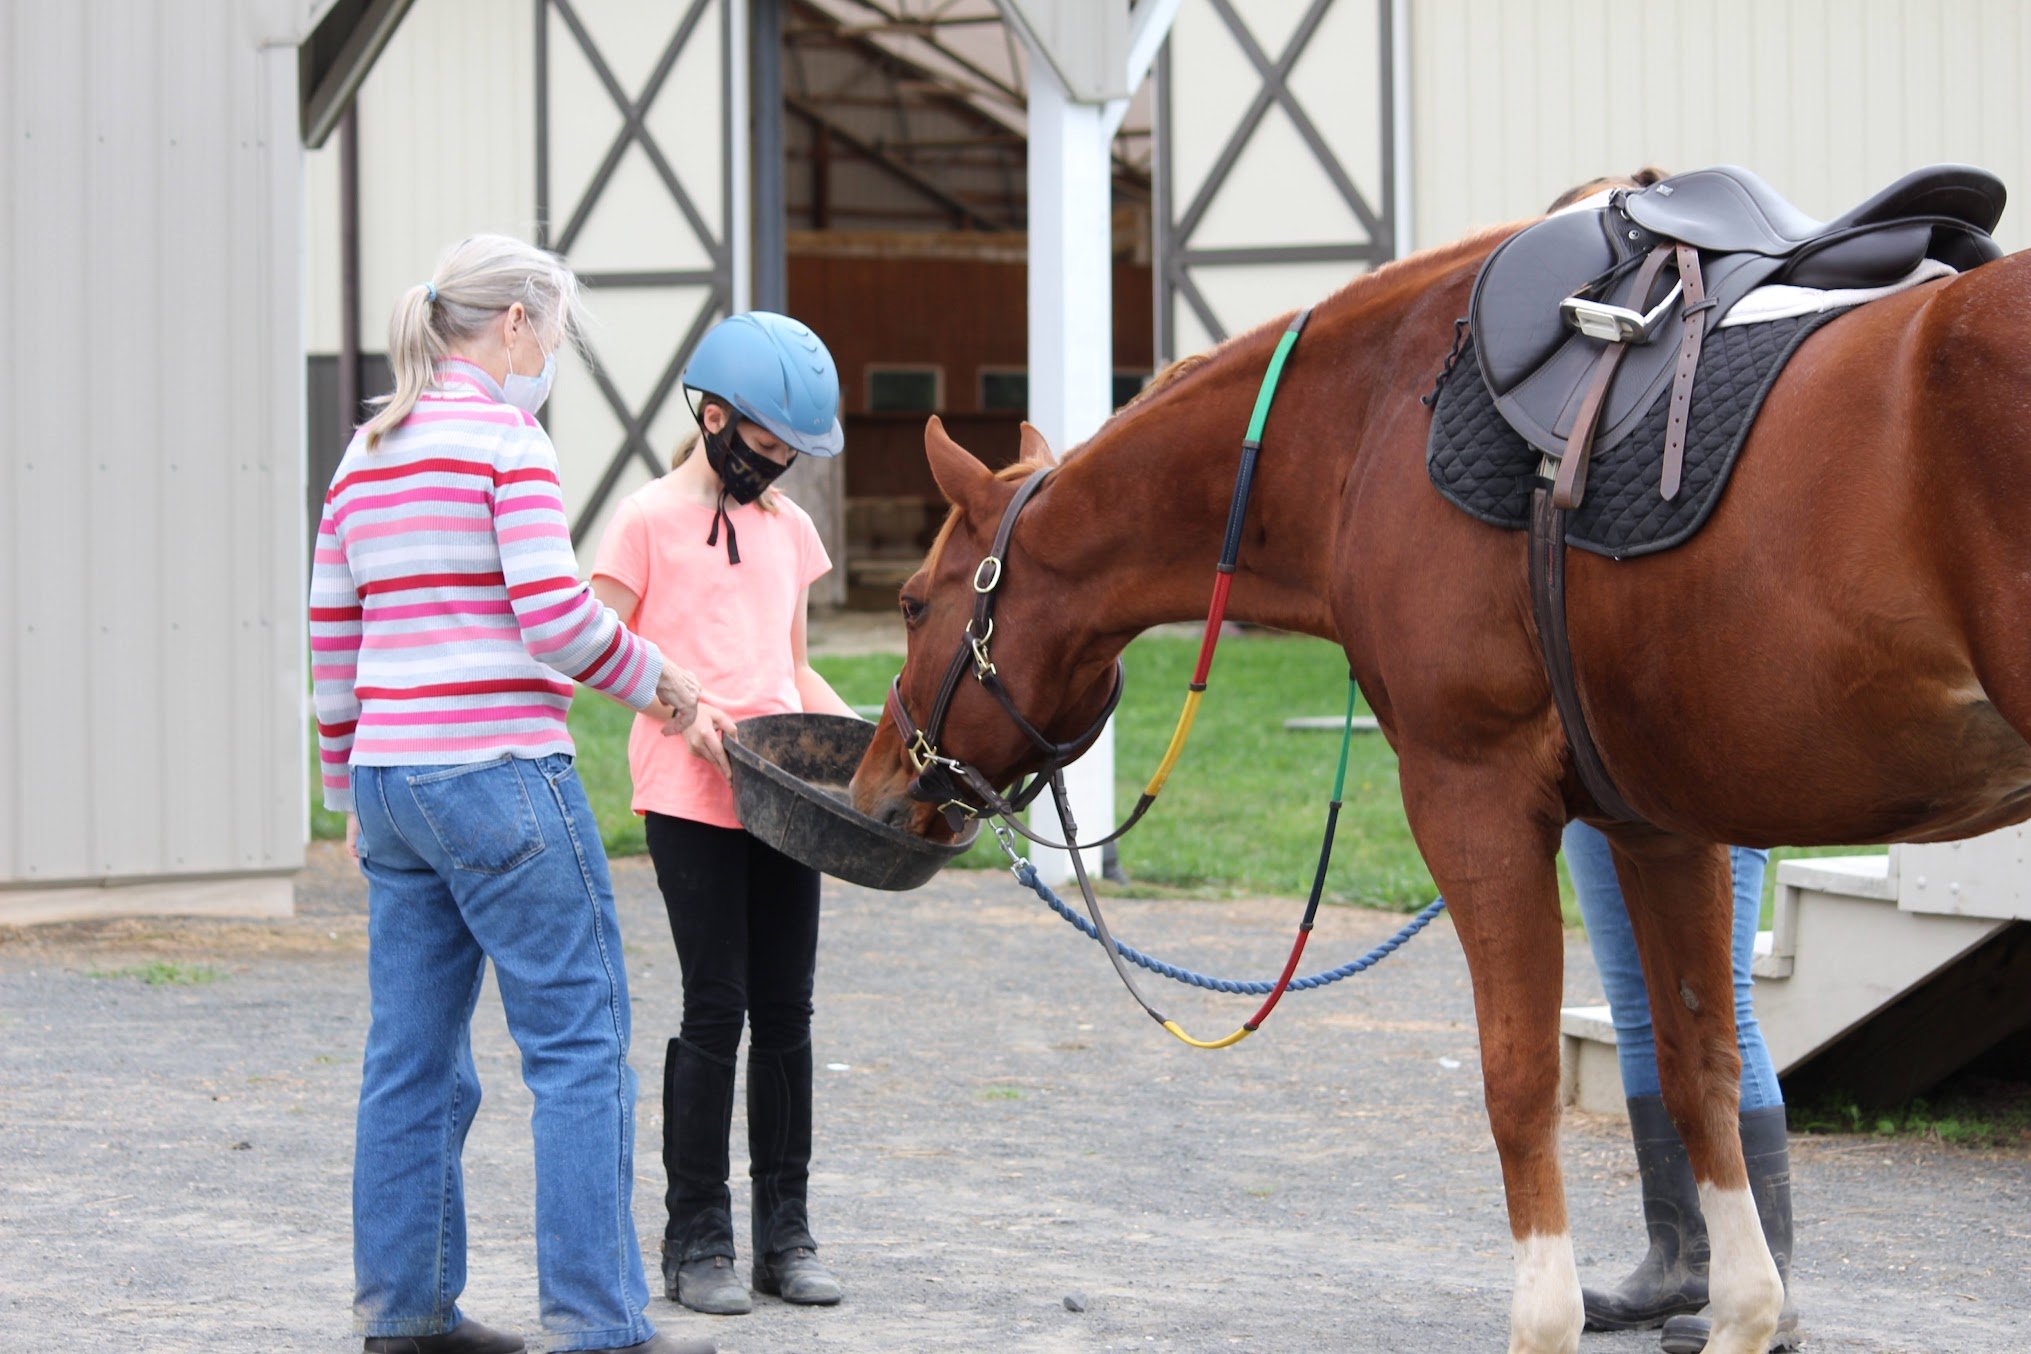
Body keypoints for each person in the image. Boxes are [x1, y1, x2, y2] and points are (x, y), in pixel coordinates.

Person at [311, 233, 715, 1354]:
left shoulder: (368, 449)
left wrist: (348, 788)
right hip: (497, 774)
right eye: (556, 332)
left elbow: (333, 634)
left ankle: (404, 1312)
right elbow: (555, 615)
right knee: (580, 1049)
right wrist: (664, 684)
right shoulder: (506, 440)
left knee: (409, 1058)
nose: (553, 358)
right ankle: (599, 1324)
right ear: (518, 326)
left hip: (394, 781)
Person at [590, 311, 856, 1317]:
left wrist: (863, 737)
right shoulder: (645, 517)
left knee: (789, 1012)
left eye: (793, 449)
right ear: (714, 418)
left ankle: (786, 1235)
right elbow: (596, 647)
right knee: (718, 1007)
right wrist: (680, 705)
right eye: (769, 443)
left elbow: (788, 667)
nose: (780, 464)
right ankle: (696, 1236)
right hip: (688, 794)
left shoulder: (790, 528)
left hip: (783, 798)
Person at [1565, 821, 1800, 1353]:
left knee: (1719, 1003)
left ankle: (1767, 1277)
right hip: (1594, 770)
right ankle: (1682, 1263)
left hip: (1699, 766)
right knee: (1634, 1005)